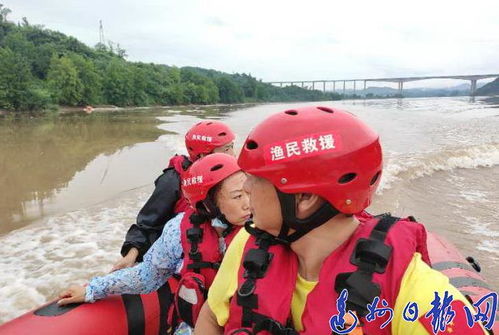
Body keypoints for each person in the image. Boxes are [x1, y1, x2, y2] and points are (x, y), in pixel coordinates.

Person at [195, 106, 488, 334]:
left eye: (255, 180)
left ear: (304, 198)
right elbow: (211, 316)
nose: (245, 189)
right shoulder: (250, 242)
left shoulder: (416, 293)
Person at [58, 153, 250, 334]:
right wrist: (92, 289)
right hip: (197, 324)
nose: (248, 203)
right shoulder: (179, 231)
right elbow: (147, 275)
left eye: (249, 191)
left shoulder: (265, 227)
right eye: (237, 196)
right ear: (208, 205)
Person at [114, 120, 236, 272]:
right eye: (226, 149)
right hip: (184, 255)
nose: (233, 154)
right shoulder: (173, 180)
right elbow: (148, 223)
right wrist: (131, 255)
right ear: (204, 155)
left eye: (232, 147)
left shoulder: (232, 178)